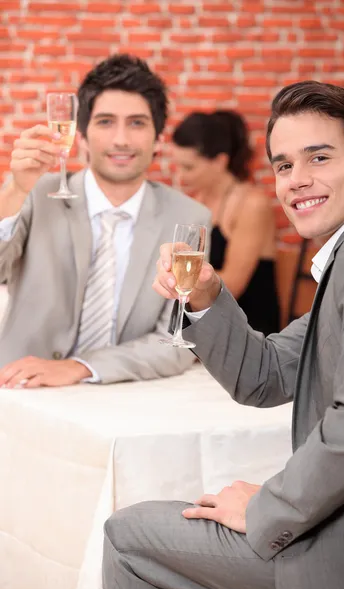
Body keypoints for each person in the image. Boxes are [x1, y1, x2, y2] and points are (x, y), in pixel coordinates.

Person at [102, 81, 344, 589]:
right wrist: (207, 293)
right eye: (284, 166)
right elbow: (263, 376)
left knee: (129, 535)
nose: (297, 181)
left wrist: (267, 507)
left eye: (319, 157)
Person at [0, 54, 210, 388]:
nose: (121, 140)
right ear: (81, 136)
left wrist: (81, 367)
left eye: (137, 123)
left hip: (119, 395)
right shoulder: (35, 195)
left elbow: (175, 342)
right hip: (19, 390)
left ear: (158, 138)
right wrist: (14, 190)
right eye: (105, 122)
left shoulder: (189, 218)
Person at [171, 110, 280, 335]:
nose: (181, 176)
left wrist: (173, 287)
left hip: (249, 332)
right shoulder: (196, 202)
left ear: (220, 161)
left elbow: (232, 286)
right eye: (178, 166)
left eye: (189, 167)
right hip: (206, 326)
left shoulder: (252, 204)